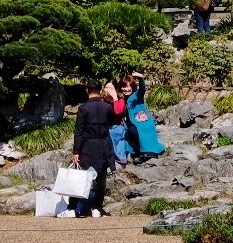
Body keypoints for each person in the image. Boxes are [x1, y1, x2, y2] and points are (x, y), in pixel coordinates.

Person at [70, 82, 115, 218]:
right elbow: (112, 122)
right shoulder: (107, 107)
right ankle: (97, 207)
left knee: (81, 177)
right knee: (101, 177)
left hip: (88, 144)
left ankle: (72, 207)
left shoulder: (83, 108)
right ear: (101, 90)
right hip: (104, 143)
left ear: (87, 90)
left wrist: (76, 151)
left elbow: (79, 131)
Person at [123, 73, 165, 161]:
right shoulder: (123, 99)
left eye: (128, 86)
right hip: (132, 124)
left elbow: (142, 89)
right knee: (128, 133)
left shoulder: (136, 96)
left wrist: (141, 79)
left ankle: (149, 152)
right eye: (124, 87)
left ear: (133, 86)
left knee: (134, 131)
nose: (126, 89)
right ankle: (138, 152)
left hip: (143, 123)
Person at [104, 80, 131, 168]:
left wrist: (115, 98)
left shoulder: (120, 101)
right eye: (106, 87)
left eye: (111, 88)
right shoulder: (101, 101)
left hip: (117, 128)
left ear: (115, 89)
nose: (108, 90)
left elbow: (118, 111)